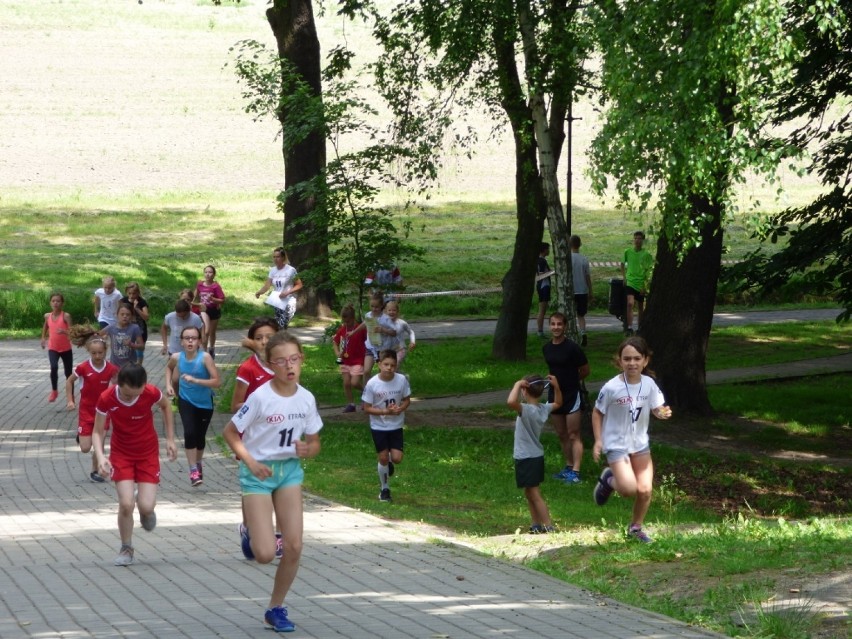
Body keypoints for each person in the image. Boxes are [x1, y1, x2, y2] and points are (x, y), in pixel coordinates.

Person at [223, 332, 323, 633]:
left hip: (289, 473)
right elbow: (230, 432)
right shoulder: (260, 397)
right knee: (265, 554)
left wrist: (309, 449)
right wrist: (250, 462)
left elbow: (315, 441)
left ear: (301, 360)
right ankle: (250, 532)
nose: (289, 366)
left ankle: (275, 608)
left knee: (293, 546)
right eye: (281, 361)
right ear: (271, 365)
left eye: (294, 359)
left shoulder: (306, 398)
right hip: (258, 474)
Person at [92, 363, 178, 566]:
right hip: (121, 454)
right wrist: (101, 456)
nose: (132, 398)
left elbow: (166, 406)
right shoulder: (107, 398)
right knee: (125, 504)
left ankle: (144, 506)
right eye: (128, 395)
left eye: (136, 394)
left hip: (147, 453)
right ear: (119, 384)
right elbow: (97, 431)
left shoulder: (150, 392)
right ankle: (126, 547)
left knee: (147, 507)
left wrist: (171, 439)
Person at [592, 336, 672, 543]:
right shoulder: (611, 387)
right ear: (619, 361)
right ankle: (609, 479)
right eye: (627, 359)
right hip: (616, 444)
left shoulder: (649, 384)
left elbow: (657, 407)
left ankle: (635, 528)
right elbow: (597, 412)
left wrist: (661, 412)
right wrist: (598, 440)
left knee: (645, 490)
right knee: (628, 489)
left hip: (639, 443)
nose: (632, 363)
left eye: (637, 358)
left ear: (645, 360)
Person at [230, 316, 283, 560]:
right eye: (259, 338)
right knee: (254, 487)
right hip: (253, 438)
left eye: (269, 337)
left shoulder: (285, 366)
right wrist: (261, 409)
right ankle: (249, 526)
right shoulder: (247, 368)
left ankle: (279, 536)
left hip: (281, 437)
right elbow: (235, 404)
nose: (264, 342)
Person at [165, 326, 221, 488]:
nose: (190, 341)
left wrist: (196, 381)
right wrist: (168, 385)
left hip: (204, 403)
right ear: (181, 341)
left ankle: (198, 462)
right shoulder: (176, 357)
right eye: (187, 338)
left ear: (199, 341)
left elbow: (217, 382)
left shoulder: (205, 358)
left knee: (200, 437)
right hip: (185, 400)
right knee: (189, 433)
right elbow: (169, 368)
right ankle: (193, 470)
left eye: (194, 338)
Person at [508, 374, 562, 534]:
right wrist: (557, 387)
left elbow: (510, 402)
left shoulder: (526, 410)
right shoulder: (543, 409)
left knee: (534, 493)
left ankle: (547, 525)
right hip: (535, 455)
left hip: (526, 456)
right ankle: (536, 523)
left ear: (524, 391)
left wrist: (517, 384)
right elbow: (559, 402)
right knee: (529, 491)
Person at [543, 312, 590, 484]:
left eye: (559, 324)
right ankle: (569, 466)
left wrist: (571, 381)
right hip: (554, 395)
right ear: (550, 326)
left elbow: (585, 370)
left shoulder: (573, 348)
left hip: (571, 395)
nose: (556, 327)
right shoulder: (546, 348)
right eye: (553, 324)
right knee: (562, 433)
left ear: (565, 326)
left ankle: (576, 472)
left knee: (573, 434)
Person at [65, 335, 119, 482]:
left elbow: (118, 386)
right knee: (85, 448)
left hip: (103, 412)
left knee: (99, 443)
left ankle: (95, 470)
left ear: (105, 351)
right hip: (86, 412)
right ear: (89, 352)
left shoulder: (111, 369)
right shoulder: (83, 367)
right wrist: (70, 400)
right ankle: (82, 435)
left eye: (100, 353)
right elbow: (69, 381)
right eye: (94, 353)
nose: (97, 356)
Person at [361, 349, 411, 502]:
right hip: (379, 426)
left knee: (396, 458)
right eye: (386, 364)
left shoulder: (401, 380)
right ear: (379, 364)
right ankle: (385, 489)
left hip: (396, 425)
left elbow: (407, 399)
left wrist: (401, 408)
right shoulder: (372, 384)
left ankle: (389, 461)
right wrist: (384, 411)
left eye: (393, 365)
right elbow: (366, 407)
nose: (389, 368)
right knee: (382, 457)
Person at [254, 247, 303, 329]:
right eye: (274, 257)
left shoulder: (291, 270)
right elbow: (267, 285)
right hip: (278, 301)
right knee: (281, 325)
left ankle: (275, 337)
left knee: (282, 323)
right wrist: (260, 292)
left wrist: (287, 292)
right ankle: (281, 340)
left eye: (278, 257)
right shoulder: (272, 270)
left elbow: (299, 285)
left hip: (289, 301)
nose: (276, 259)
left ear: (283, 257)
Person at [332, 304, 367, 413]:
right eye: (344, 321)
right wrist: (337, 352)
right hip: (345, 361)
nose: (346, 324)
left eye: (348, 321)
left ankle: (365, 393)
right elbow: (335, 342)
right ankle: (351, 404)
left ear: (353, 318)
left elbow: (368, 341)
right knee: (346, 383)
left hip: (358, 360)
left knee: (355, 383)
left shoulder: (359, 329)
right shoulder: (342, 329)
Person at [41, 292, 73, 403]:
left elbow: (72, 331)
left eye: (58, 301)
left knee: (68, 373)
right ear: (50, 303)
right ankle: (54, 391)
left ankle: (71, 397)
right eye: (53, 301)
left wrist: (64, 331)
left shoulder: (66, 316)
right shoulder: (47, 316)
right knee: (53, 367)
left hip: (66, 349)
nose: (55, 303)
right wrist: (43, 338)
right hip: (53, 348)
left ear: (62, 303)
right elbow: (46, 325)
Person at [621, 231, 654, 335]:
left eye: (639, 238)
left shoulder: (647, 254)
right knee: (630, 303)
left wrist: (645, 285)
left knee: (640, 306)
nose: (637, 240)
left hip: (641, 283)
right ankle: (629, 327)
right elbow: (622, 264)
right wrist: (624, 277)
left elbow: (649, 270)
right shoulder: (627, 251)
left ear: (643, 240)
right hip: (630, 281)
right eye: (635, 238)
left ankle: (640, 327)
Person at [361, 292, 397, 378]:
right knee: (366, 371)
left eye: (376, 307)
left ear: (381, 306)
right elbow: (364, 324)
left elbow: (394, 332)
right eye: (372, 306)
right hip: (371, 346)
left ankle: (382, 389)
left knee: (382, 372)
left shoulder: (386, 318)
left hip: (383, 348)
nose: (374, 309)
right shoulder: (368, 315)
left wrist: (383, 330)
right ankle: (366, 391)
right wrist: (353, 333)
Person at [194, 265, 226, 359]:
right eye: (206, 272)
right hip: (204, 310)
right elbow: (196, 294)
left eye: (210, 272)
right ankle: (204, 351)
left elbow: (222, 300)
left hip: (214, 310)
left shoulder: (216, 286)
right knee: (206, 332)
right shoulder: (200, 284)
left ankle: (211, 348)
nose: (208, 274)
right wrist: (192, 302)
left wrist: (213, 299)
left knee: (212, 332)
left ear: (214, 274)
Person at [102, 304, 144, 368]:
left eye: (128, 314)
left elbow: (142, 346)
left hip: (130, 366)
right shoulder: (111, 328)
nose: (125, 316)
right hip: (114, 365)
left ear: (132, 316)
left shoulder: (135, 328)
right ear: (117, 315)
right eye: (122, 314)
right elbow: (97, 334)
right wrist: (102, 339)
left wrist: (132, 345)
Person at [570, 235, 593, 347]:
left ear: (570, 245)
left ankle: (570, 334)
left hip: (570, 291)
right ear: (580, 245)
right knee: (581, 315)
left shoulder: (567, 258)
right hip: (582, 290)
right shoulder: (584, 259)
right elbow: (587, 276)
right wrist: (590, 290)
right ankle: (583, 333)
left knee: (569, 314)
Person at [120, 282, 149, 365]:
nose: (132, 296)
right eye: (129, 293)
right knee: (127, 347)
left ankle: (138, 366)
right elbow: (119, 313)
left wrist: (136, 308)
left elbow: (146, 317)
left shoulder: (142, 302)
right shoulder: (123, 301)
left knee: (139, 349)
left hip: (140, 329)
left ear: (138, 293)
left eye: (134, 293)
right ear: (126, 292)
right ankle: (128, 365)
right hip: (127, 328)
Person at [384, 300, 416, 369]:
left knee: (395, 365)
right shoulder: (384, 324)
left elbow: (411, 332)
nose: (391, 312)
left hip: (400, 349)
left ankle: (399, 378)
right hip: (388, 350)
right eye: (389, 310)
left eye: (394, 310)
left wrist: (412, 341)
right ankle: (402, 377)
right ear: (386, 312)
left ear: (398, 312)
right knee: (386, 368)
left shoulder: (402, 323)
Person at [535, 242, 552, 339]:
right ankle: (540, 331)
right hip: (543, 286)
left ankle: (540, 331)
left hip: (542, 286)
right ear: (544, 250)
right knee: (542, 310)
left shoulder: (540, 260)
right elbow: (541, 273)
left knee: (542, 310)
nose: (549, 251)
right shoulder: (541, 261)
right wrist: (551, 272)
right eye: (548, 249)